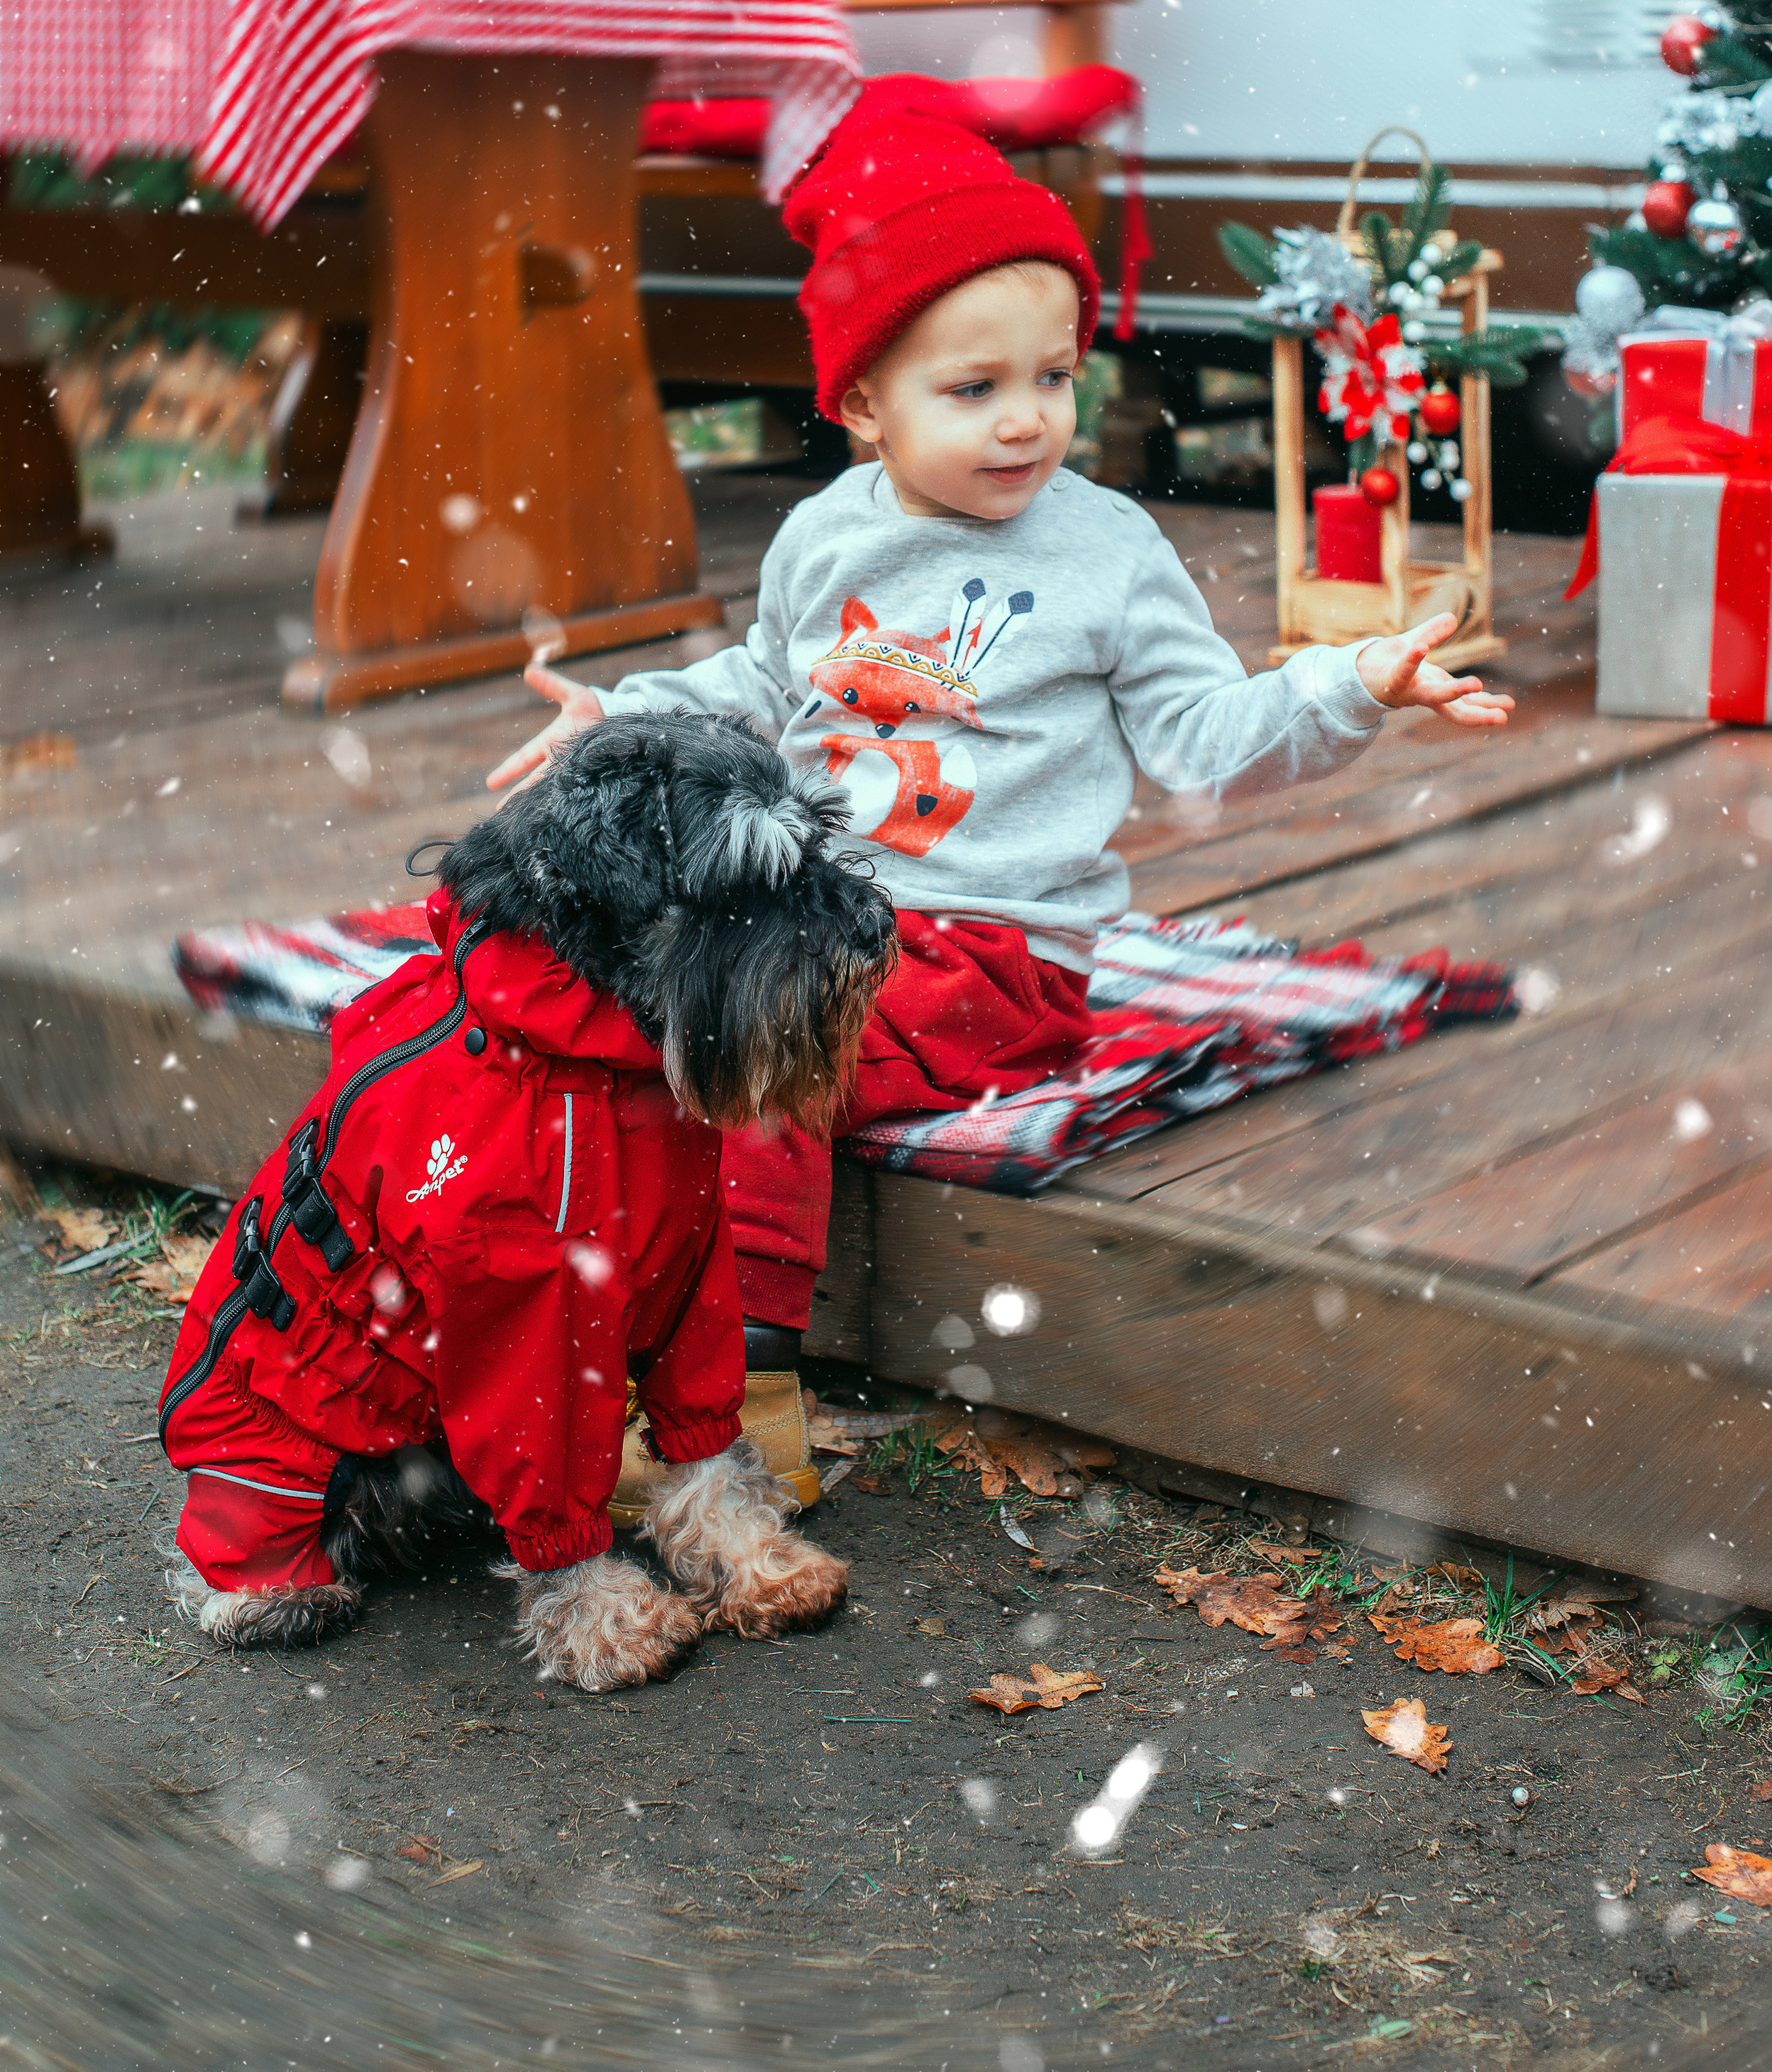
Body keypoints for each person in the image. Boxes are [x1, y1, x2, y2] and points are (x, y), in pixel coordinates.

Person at [487, 84, 1512, 1489]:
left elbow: (1206, 737)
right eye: (971, 390)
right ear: (859, 404)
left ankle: (740, 1404)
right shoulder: (821, 537)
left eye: (1053, 374)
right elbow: (766, 683)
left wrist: (1351, 688)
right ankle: (553, 1322)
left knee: (750, 1048)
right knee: (611, 1008)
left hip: (995, 951)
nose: (1027, 421)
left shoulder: (1104, 551)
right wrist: (619, 719)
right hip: (823, 901)